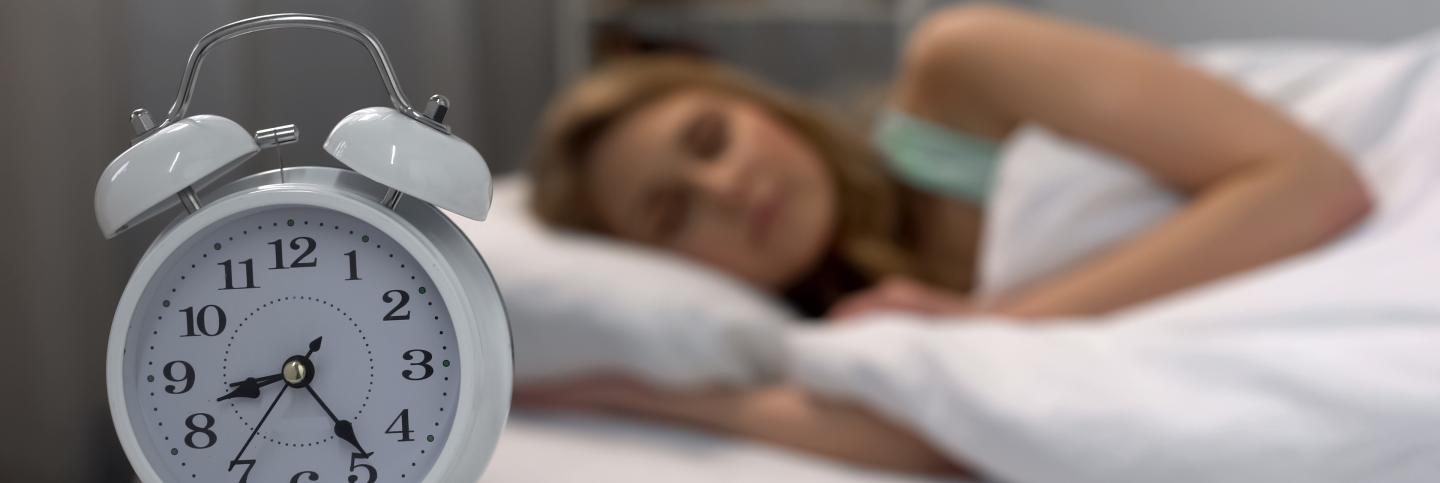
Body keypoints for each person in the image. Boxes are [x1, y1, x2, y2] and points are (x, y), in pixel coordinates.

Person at [522, 4, 1372, 475]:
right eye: (672, 213)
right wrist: (631, 390)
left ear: (762, 107)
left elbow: (1310, 186)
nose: (725, 187)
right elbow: (940, 433)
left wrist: (993, 327)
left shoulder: (958, 72)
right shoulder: (848, 324)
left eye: (711, 139)